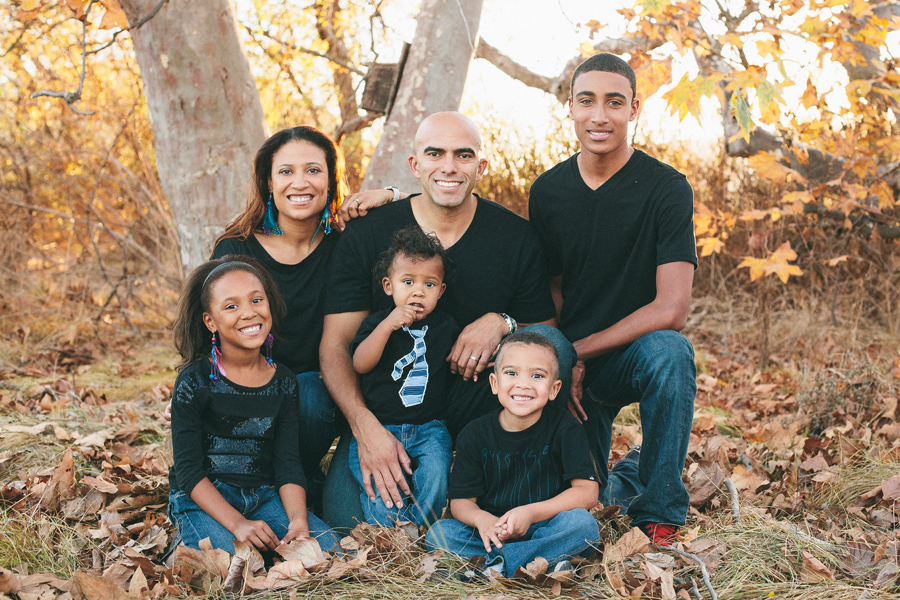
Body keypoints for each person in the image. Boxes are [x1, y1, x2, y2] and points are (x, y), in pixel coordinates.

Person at [320, 111, 573, 529]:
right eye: (435, 153)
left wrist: (503, 322)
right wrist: (365, 428)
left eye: (464, 155)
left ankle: (518, 478)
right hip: (387, 411)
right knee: (346, 523)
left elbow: (547, 334)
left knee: (555, 351)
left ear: (481, 166)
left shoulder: (513, 236)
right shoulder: (369, 233)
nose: (450, 167)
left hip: (475, 400)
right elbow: (335, 346)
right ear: (415, 164)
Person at [528, 53, 698, 545]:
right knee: (587, 498)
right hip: (573, 368)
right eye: (587, 101)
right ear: (570, 107)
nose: (599, 116)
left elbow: (672, 309)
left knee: (672, 352)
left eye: (614, 102)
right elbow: (550, 290)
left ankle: (660, 512)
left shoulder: (667, 188)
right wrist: (558, 362)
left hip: (633, 355)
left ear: (634, 109)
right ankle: (629, 473)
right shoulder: (548, 191)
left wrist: (576, 353)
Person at [210, 126, 393, 505]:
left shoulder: (347, 245)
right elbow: (210, 333)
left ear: (330, 180)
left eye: (313, 170)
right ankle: (266, 483)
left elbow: (432, 217)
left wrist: (392, 194)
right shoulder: (236, 249)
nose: (300, 183)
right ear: (268, 182)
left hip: (322, 396)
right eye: (286, 171)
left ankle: (296, 479)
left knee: (310, 393)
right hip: (251, 392)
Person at [168, 256, 339, 554]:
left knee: (328, 550)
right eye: (231, 306)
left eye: (256, 300)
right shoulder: (194, 381)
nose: (248, 313)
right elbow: (188, 471)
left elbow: (287, 463)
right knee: (237, 563)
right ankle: (184, 543)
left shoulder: (284, 382)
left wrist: (298, 521)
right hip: (203, 498)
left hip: (262, 497)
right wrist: (238, 524)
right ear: (210, 321)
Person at [424, 331, 599, 577]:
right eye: (511, 373)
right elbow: (461, 502)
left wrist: (530, 513)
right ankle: (538, 563)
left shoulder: (565, 428)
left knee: (583, 525)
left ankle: (493, 568)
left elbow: (587, 492)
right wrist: (482, 520)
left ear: (554, 389)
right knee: (440, 534)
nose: (523, 384)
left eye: (537, 376)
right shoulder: (474, 433)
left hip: (545, 526)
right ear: (494, 383)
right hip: (492, 531)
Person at [349, 227, 458, 527]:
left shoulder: (446, 326)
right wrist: (387, 326)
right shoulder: (376, 323)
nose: (418, 291)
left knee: (436, 474)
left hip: (430, 427)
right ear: (388, 286)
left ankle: (422, 530)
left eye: (429, 284)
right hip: (380, 427)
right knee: (380, 490)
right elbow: (360, 364)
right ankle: (391, 535)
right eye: (408, 282)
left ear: (441, 291)